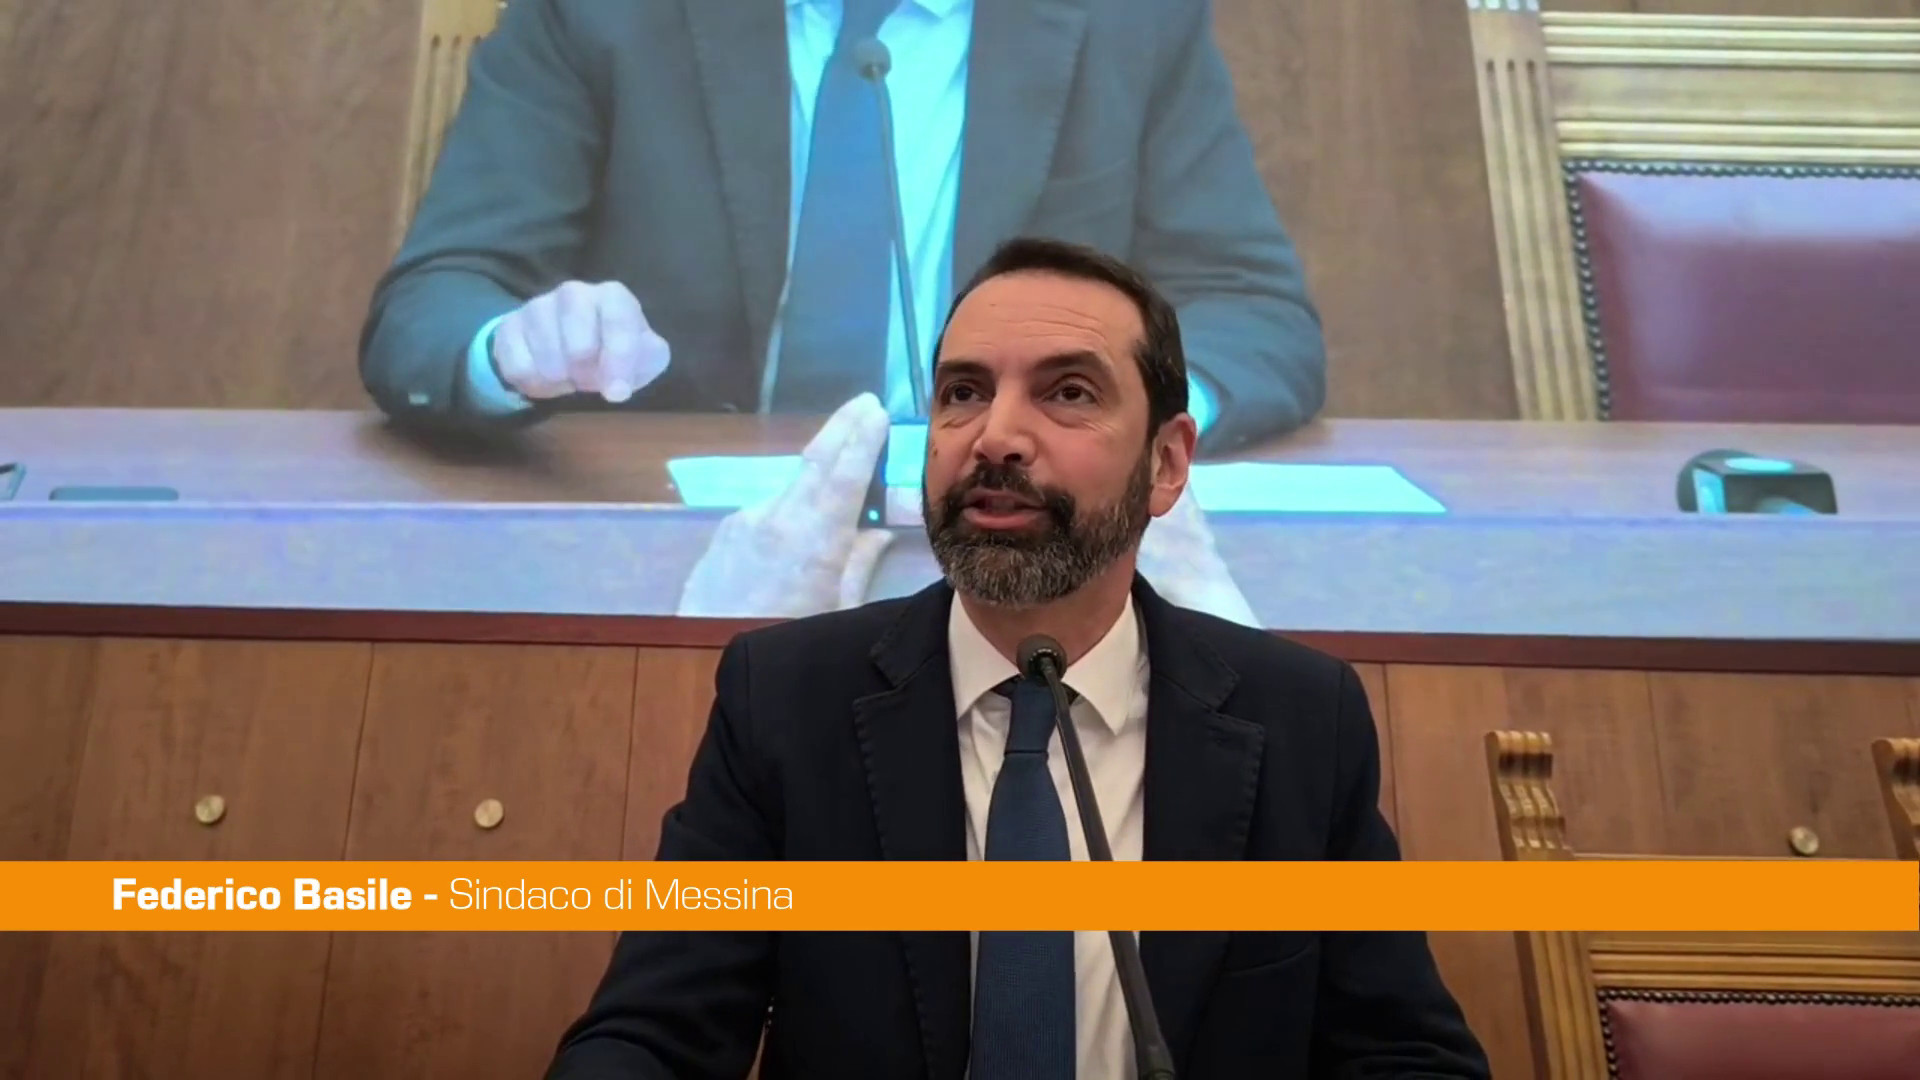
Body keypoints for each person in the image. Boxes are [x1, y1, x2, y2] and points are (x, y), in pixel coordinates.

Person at [544, 237, 1488, 1079]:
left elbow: (1404, 1054)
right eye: (963, 393)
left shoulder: (1298, 719)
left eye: (1068, 393)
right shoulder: (787, 700)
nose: (995, 437)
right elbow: (654, 1036)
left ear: (1166, 465)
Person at [358, 0, 1326, 460]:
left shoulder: (1130, 21)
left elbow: (1255, 314)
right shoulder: (602, 13)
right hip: (667, 543)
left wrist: (1125, 412)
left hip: (1013, 541)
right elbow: (437, 300)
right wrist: (513, 348)